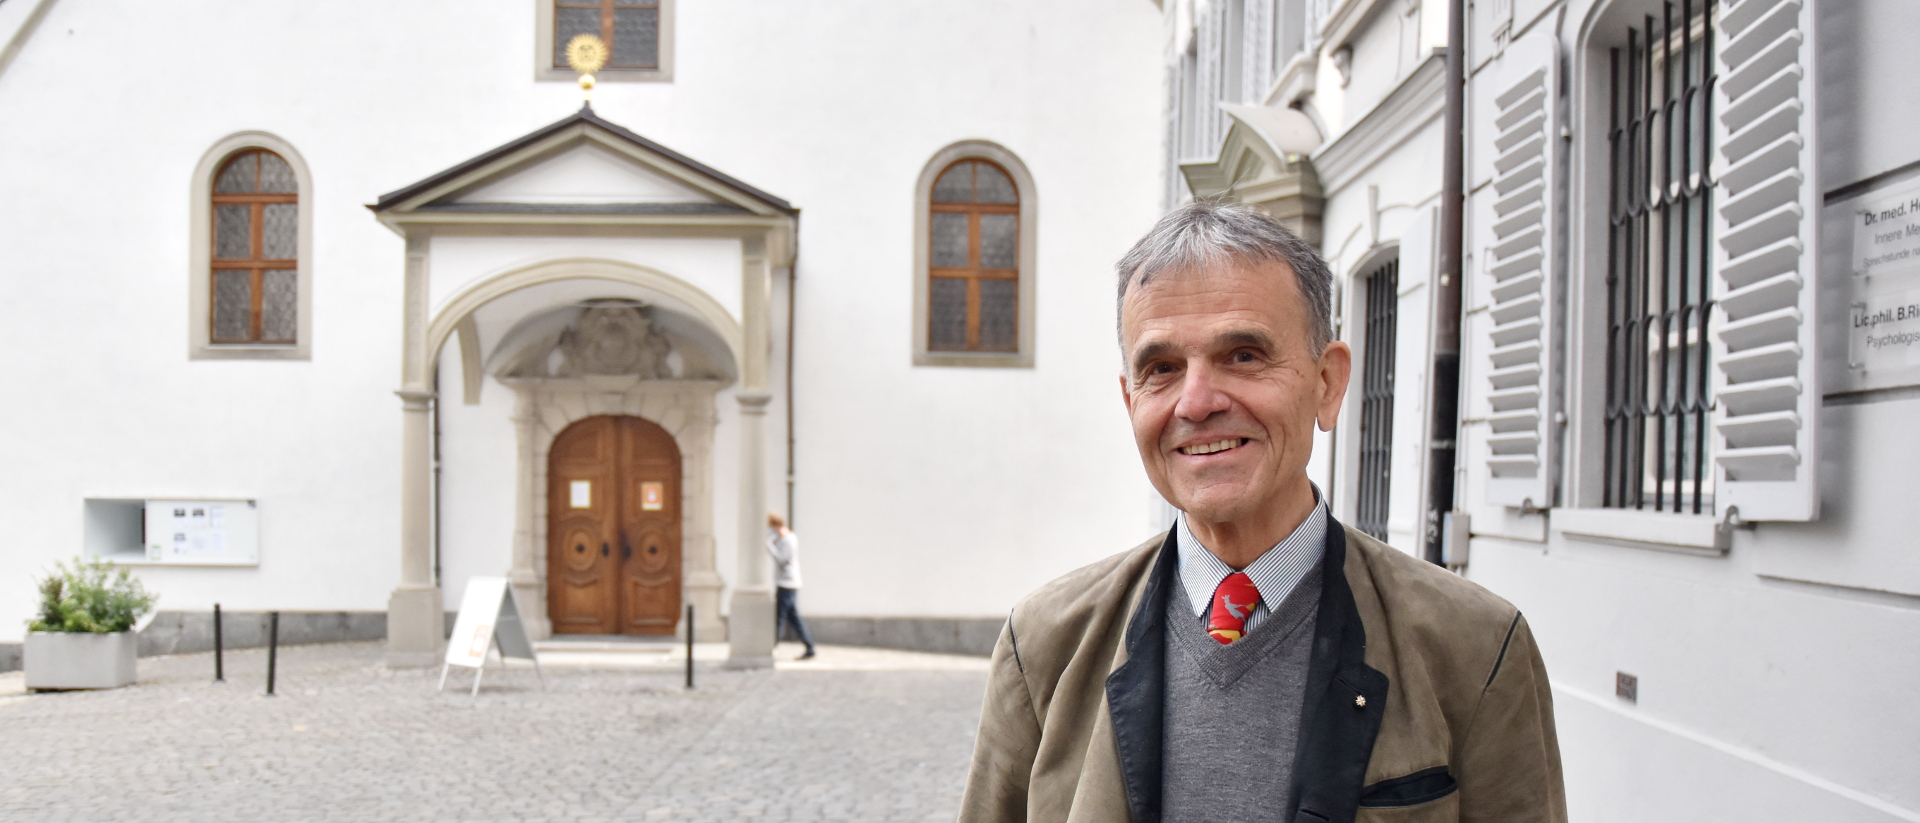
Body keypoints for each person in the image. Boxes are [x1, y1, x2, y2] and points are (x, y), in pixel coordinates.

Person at [958, 201, 1565, 822]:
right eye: (1161, 368)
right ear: (1130, 400)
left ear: (1327, 383)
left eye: (1243, 355)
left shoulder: (1473, 650)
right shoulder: (1044, 647)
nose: (1196, 402)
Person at [766, 512, 816, 660]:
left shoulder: (788, 540)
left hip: (787, 583)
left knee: (779, 617)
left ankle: (771, 647)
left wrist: (770, 547)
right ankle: (810, 646)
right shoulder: (782, 539)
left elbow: (782, 560)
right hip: (785, 582)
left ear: (775, 525)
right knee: (793, 618)